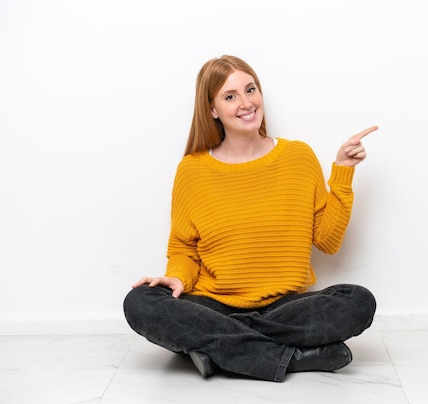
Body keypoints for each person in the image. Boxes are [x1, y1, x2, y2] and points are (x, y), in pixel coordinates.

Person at [123, 55, 378, 383]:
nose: (246, 103)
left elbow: (327, 242)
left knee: (357, 301)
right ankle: (291, 358)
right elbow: (184, 248)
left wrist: (343, 172)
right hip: (213, 305)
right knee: (141, 301)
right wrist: (177, 278)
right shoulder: (193, 169)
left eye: (250, 89)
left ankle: (217, 351)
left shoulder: (298, 157)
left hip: (284, 308)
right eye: (230, 96)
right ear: (212, 109)